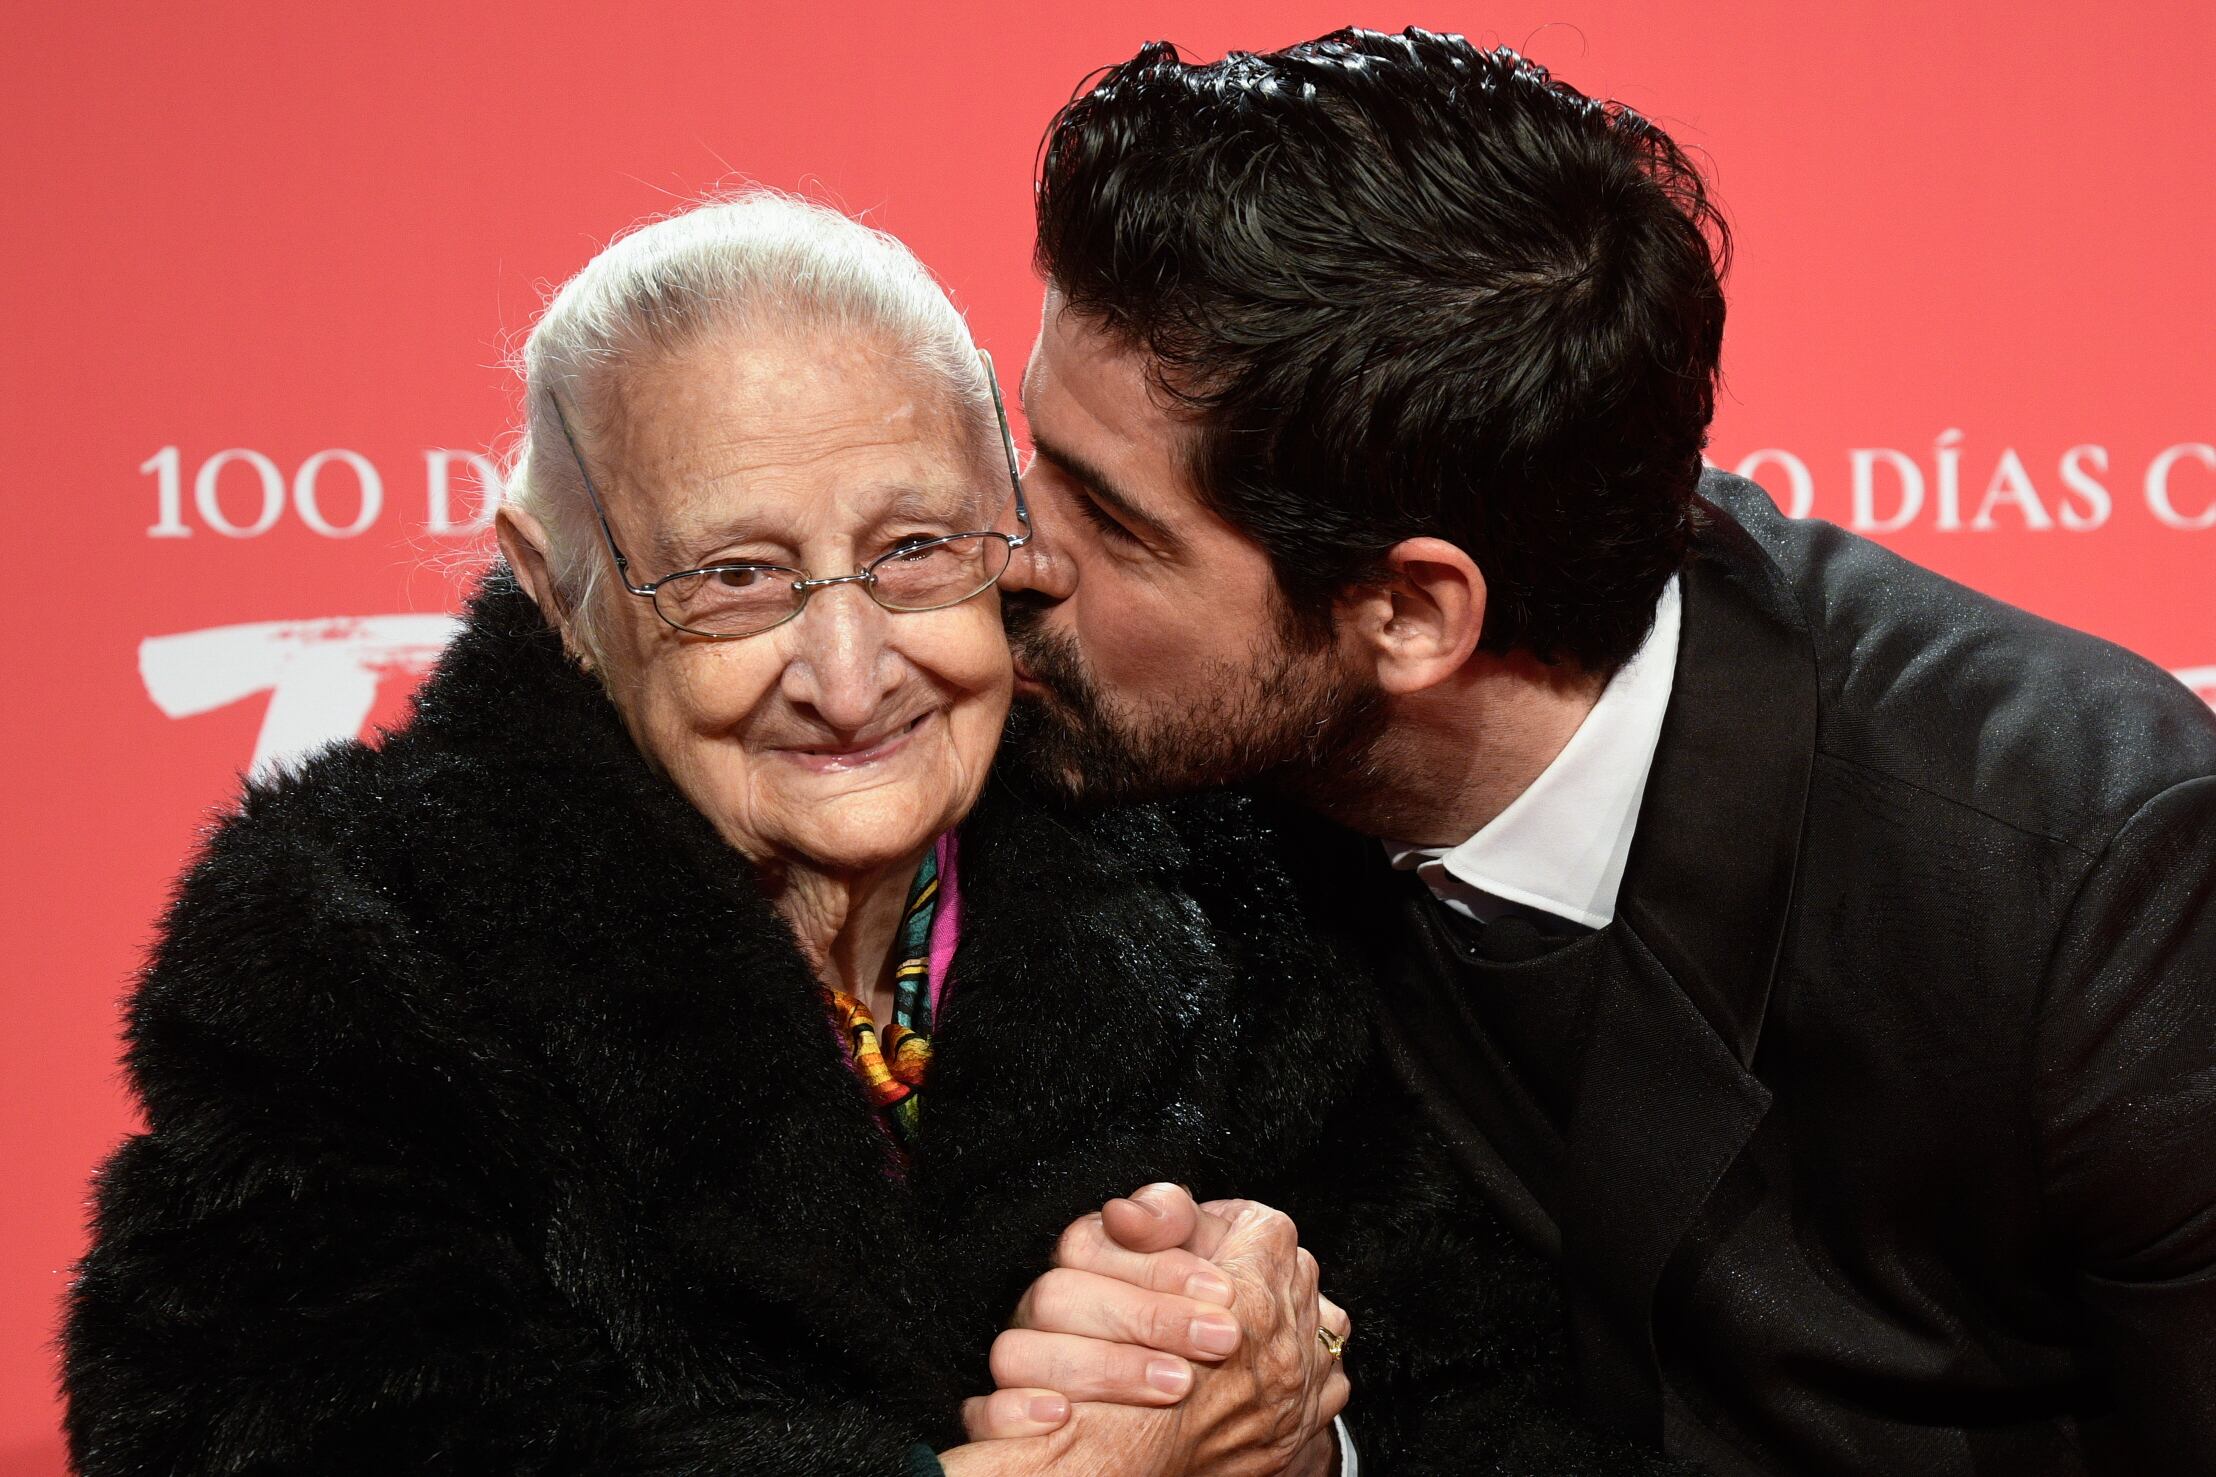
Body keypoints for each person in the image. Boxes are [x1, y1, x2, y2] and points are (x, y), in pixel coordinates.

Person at [61, 193, 1681, 1476]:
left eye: (915, 549)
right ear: (556, 585)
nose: (849, 676)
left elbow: (1498, 1394)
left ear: (1015, 530)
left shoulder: (1224, 861)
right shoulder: (347, 941)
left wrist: (1296, 1434)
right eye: (735, 576)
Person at [979, 28, 2216, 1476]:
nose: (1010, 549)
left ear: (1412, 610)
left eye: (1111, 522)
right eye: (1030, 450)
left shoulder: (2096, 889)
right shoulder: (1132, 761)